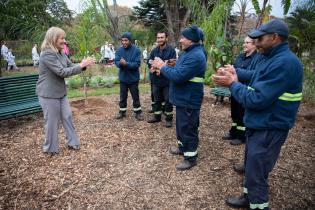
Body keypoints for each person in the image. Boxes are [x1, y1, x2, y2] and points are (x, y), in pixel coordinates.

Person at [212, 19, 303, 210]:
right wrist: (235, 72)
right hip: (259, 124)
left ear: (275, 38)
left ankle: (258, 205)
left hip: (270, 127)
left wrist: (232, 84)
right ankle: (248, 197)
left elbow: (257, 99)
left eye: (259, 39)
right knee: (251, 168)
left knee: (256, 173)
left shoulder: (285, 63)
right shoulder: (269, 56)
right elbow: (255, 76)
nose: (256, 43)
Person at [152, 25, 207, 171]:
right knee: (182, 125)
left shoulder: (196, 55)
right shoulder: (188, 52)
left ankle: (190, 157)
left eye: (183, 37)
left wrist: (163, 66)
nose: (180, 40)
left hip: (189, 99)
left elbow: (178, 76)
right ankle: (183, 148)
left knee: (188, 127)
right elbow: (180, 70)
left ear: (192, 40)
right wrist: (173, 64)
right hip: (183, 98)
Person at [36, 27, 94, 155]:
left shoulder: (61, 52)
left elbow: (70, 66)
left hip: (60, 92)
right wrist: (81, 66)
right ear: (53, 38)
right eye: (61, 38)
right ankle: (50, 148)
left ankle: (73, 142)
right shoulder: (47, 54)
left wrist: (82, 64)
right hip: (48, 93)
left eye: (64, 38)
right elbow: (61, 72)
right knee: (52, 121)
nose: (64, 41)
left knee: (67, 116)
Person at [222, 36, 260, 146]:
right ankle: (233, 132)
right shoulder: (240, 56)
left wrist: (236, 72)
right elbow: (233, 68)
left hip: (245, 89)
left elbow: (253, 75)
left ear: (254, 45)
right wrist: (226, 70)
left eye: (247, 42)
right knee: (234, 112)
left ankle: (242, 136)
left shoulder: (257, 59)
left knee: (241, 113)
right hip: (235, 88)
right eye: (244, 42)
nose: (244, 44)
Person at [147, 31, 176, 127]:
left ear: (166, 38)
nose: (159, 39)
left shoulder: (171, 50)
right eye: (158, 37)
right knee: (157, 99)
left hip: (167, 80)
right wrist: (153, 68)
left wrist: (162, 67)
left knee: (168, 100)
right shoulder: (154, 50)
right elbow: (150, 61)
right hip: (156, 79)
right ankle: (157, 116)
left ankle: (169, 119)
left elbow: (172, 63)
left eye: (162, 37)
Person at [114, 32, 144, 121]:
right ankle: (122, 111)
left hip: (133, 78)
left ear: (130, 40)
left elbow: (137, 64)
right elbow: (116, 61)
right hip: (123, 78)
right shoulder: (119, 50)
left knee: (135, 96)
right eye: (122, 40)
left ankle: (138, 112)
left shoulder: (137, 50)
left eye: (126, 40)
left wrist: (126, 64)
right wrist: (120, 63)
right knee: (122, 96)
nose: (124, 42)